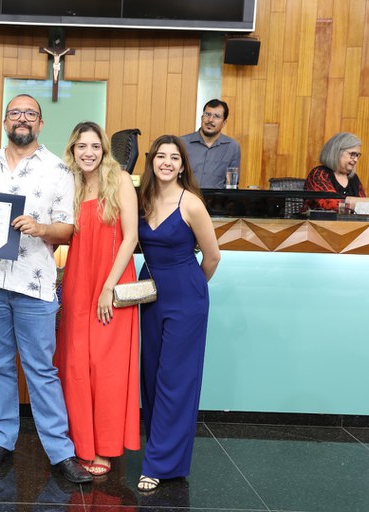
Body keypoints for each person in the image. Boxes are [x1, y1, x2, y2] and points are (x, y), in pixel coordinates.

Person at [0, 94, 92, 484]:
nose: (22, 119)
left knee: (41, 368)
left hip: (34, 281)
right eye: (15, 113)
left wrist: (40, 228)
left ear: (40, 123)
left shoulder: (59, 169)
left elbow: (69, 229)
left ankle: (60, 451)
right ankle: (2, 441)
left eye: (30, 114)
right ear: (5, 121)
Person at [136, 134, 221, 492]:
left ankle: (157, 463)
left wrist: (191, 291)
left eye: (174, 157)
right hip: (149, 296)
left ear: (183, 166)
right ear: (152, 161)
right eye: (161, 156)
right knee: (152, 376)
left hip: (185, 298)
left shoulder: (192, 204)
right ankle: (166, 454)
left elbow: (213, 256)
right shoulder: (142, 199)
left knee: (175, 380)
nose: (167, 162)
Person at [55, 121, 141, 476]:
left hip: (112, 282)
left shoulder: (120, 180)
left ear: (104, 149)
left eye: (94, 146)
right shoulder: (69, 184)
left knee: (106, 368)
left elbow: (131, 237)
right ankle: (80, 444)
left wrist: (108, 287)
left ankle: (104, 447)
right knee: (75, 365)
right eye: (81, 146)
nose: (88, 152)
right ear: (72, 151)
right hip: (78, 281)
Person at [303, 132, 369, 212]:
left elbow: (363, 207)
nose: (356, 159)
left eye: (357, 155)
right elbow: (332, 204)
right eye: (352, 154)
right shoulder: (319, 174)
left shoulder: (353, 178)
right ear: (336, 152)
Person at [180, 99, 241, 189]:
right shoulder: (182, 143)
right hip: (185, 196)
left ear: (224, 123)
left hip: (217, 197)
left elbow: (232, 184)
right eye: (207, 114)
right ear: (202, 118)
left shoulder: (232, 147)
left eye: (217, 116)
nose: (210, 120)